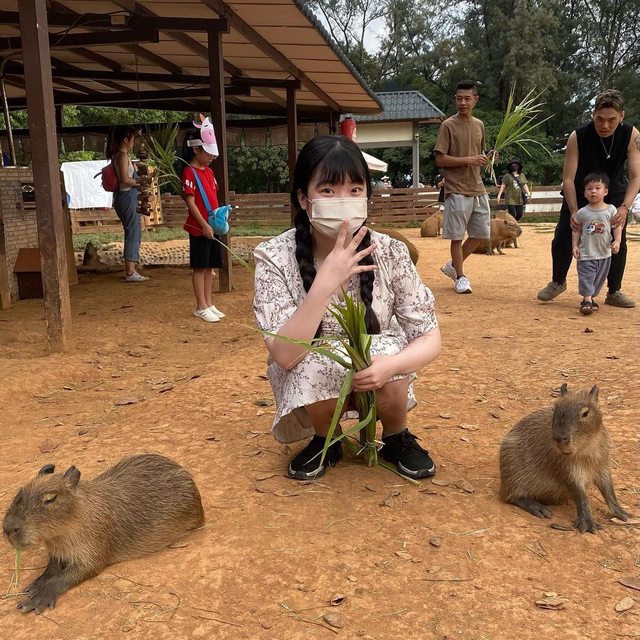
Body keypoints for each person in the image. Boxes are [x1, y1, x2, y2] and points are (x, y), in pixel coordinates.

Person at [253, 136, 441, 481]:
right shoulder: (274, 257)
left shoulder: (390, 252)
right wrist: (325, 283)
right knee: (314, 356)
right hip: (310, 366)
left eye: (355, 190)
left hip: (379, 372)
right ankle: (326, 439)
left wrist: (392, 365)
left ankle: (396, 435)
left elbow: (428, 336)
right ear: (303, 198)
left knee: (387, 349)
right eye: (328, 190)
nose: (343, 201)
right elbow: (285, 355)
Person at [537, 89, 640, 307]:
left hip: (614, 192)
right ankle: (557, 281)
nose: (605, 125)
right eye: (599, 119)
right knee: (564, 233)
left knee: (617, 238)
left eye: (612, 120)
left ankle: (614, 291)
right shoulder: (578, 136)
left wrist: (625, 207)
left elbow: (636, 176)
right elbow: (567, 177)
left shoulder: (631, 135)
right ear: (593, 114)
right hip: (580, 190)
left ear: (621, 116)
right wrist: (574, 211)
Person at [434, 80, 491, 294]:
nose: (463, 103)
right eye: (459, 98)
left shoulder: (479, 125)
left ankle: (452, 265)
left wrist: (487, 158)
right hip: (456, 188)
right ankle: (460, 276)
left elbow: (480, 154)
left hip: (478, 187)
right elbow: (440, 159)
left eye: (467, 98)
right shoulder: (448, 125)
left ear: (475, 99)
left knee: (480, 234)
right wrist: (469, 159)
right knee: (457, 236)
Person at [181, 126, 226, 323]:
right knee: (200, 266)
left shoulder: (208, 172)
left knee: (209, 267)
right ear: (196, 149)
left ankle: (208, 303)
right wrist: (203, 224)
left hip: (212, 225)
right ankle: (200, 306)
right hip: (199, 228)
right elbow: (190, 202)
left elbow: (213, 196)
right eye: (208, 153)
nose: (211, 158)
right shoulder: (189, 172)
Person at [572, 174, 622, 315]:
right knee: (587, 277)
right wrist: (575, 245)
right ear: (585, 193)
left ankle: (590, 298)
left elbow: (617, 226)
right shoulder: (582, 212)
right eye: (589, 189)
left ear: (605, 191)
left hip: (604, 254)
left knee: (598, 280)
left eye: (597, 188)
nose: (593, 191)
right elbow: (576, 229)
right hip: (586, 253)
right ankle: (587, 300)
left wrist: (617, 241)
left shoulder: (611, 210)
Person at [108, 126, 147, 282]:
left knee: (133, 229)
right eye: (132, 139)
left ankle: (132, 268)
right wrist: (140, 183)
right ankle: (130, 271)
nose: (133, 142)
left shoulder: (120, 156)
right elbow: (124, 179)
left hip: (125, 196)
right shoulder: (122, 156)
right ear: (126, 140)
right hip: (126, 196)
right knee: (132, 230)